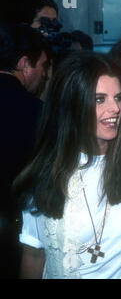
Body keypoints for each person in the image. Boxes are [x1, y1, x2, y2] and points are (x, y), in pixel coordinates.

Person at [14, 51, 121, 279]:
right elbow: (34, 255)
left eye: (118, 97)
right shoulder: (45, 174)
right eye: (100, 99)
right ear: (71, 105)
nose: (116, 108)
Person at [0, 23, 48, 278]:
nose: (44, 74)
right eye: (42, 65)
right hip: (17, 241)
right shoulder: (38, 113)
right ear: (24, 65)